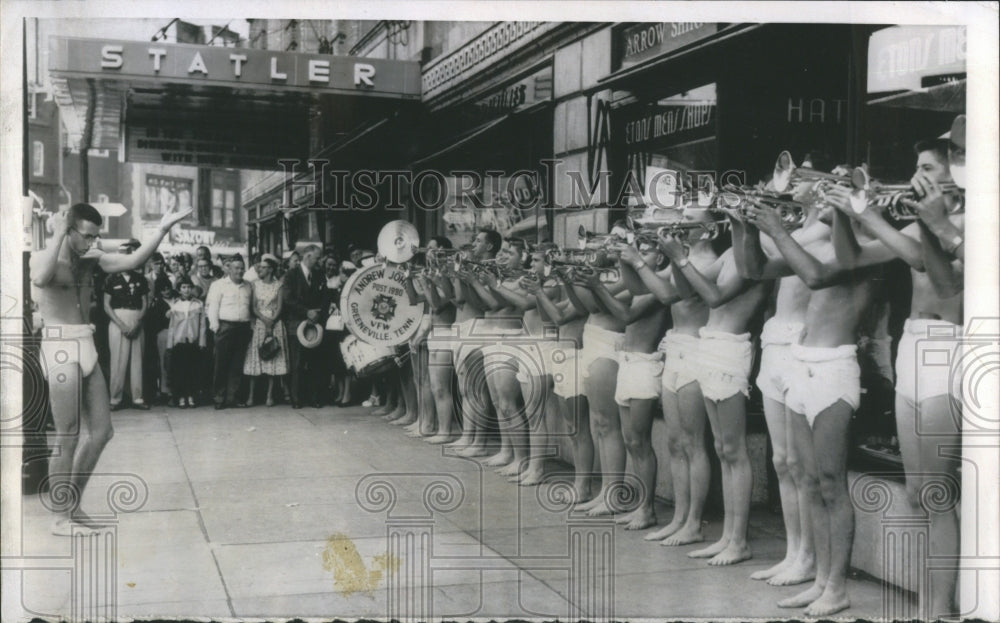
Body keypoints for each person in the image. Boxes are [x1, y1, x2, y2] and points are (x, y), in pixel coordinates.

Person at [826, 134, 964, 619]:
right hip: (914, 346)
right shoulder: (922, 223)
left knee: (937, 490)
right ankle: (931, 603)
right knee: (918, 489)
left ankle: (937, 609)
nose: (917, 175)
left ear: (957, 174)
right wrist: (845, 212)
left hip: (950, 350)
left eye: (927, 166)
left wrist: (869, 214)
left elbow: (924, 260)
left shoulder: (962, 225)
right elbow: (849, 260)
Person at [743, 190, 875, 616]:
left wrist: (778, 228)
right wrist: (744, 224)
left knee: (832, 483)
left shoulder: (867, 250)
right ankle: (819, 579)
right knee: (811, 483)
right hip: (801, 363)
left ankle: (836, 586)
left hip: (834, 368)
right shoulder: (820, 243)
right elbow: (756, 268)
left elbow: (817, 276)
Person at [30, 202, 190, 534]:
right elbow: (40, 277)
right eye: (86, 235)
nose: (92, 242)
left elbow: (133, 260)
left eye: (96, 236)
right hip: (59, 344)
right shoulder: (45, 256)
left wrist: (162, 228)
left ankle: (72, 505)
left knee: (102, 432)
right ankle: (60, 517)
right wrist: (59, 231)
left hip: (85, 341)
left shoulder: (92, 259)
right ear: (70, 229)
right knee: (67, 433)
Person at [658, 213, 770, 566]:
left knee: (734, 450)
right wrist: (675, 255)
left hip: (729, 347)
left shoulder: (759, 249)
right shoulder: (730, 253)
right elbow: (685, 289)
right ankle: (727, 537)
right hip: (710, 345)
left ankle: (738, 540)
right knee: (723, 449)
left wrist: (680, 257)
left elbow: (715, 297)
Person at [593, 239, 671, 530]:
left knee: (640, 441)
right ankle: (641, 504)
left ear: (661, 259)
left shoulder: (660, 284)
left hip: (643, 365)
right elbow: (605, 302)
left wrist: (597, 284)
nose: (640, 254)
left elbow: (624, 315)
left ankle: (647, 508)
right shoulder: (640, 286)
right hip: (628, 363)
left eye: (647, 251)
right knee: (631, 441)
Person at [446, 231, 501, 458]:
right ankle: (469, 437)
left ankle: (479, 440)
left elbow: (473, 302)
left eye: (479, 241)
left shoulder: (491, 268)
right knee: (465, 390)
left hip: (477, 326)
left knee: (475, 390)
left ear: (489, 246)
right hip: (463, 328)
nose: (475, 245)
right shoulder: (475, 268)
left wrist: (466, 278)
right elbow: (458, 298)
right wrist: (455, 276)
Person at [104, 239, 152, 411]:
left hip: (136, 317)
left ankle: (137, 398)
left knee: (137, 360)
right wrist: (121, 325)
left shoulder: (141, 279)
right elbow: (106, 305)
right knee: (117, 361)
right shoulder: (111, 279)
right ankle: (115, 398)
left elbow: (145, 303)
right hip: (118, 319)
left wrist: (138, 323)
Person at [281, 245, 326, 408]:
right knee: (298, 363)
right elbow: (287, 299)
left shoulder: (319, 275)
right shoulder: (291, 275)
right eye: (317, 258)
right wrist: (306, 312)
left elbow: (324, 297)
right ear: (307, 257)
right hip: (297, 325)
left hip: (315, 325)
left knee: (314, 362)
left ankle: (313, 397)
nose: (319, 261)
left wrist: (318, 313)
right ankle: (297, 398)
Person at [206, 255, 253, 409]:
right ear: (229, 269)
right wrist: (215, 327)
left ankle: (233, 398)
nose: (239, 271)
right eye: (236, 268)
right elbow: (212, 307)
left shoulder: (248, 286)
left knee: (238, 365)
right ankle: (219, 399)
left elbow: (251, 308)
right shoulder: (218, 285)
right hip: (225, 327)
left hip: (243, 328)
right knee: (221, 364)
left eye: (242, 268)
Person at [243, 254, 288, 407]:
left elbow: (280, 307)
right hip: (260, 322)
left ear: (270, 269)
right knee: (256, 357)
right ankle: (251, 396)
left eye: (262, 267)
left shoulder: (279, 285)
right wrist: (264, 320)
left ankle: (270, 395)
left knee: (272, 355)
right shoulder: (255, 284)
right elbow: (254, 307)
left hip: (275, 323)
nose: (259, 269)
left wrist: (272, 321)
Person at [166, 276, 207, 408]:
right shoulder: (175, 305)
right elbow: (172, 326)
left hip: (193, 342)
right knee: (180, 371)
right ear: (179, 289)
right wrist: (170, 344)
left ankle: (191, 396)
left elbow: (202, 325)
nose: (187, 289)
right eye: (183, 287)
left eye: (189, 287)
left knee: (192, 370)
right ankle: (181, 396)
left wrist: (202, 341)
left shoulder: (198, 304)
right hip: (179, 342)